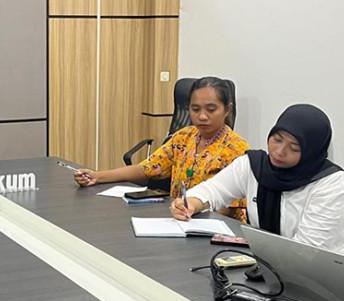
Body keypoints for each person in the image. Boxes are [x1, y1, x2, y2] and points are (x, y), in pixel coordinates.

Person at [170, 104, 344, 265]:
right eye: (277, 139)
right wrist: (190, 203)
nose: (280, 151)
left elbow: (306, 250)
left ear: (311, 151)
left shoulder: (330, 183)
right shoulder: (254, 166)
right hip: (274, 267)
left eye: (294, 148)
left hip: (336, 273)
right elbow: (212, 190)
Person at [74, 77, 249, 220]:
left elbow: (230, 207)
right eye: (195, 109)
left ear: (227, 110)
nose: (202, 116)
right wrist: (97, 176)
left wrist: (192, 213)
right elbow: (146, 168)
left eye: (211, 109)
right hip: (178, 219)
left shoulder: (237, 149)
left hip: (214, 227)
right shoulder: (184, 137)